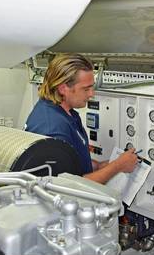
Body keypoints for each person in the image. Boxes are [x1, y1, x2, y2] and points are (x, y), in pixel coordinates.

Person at [25, 53, 138, 184]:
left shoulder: (66, 113)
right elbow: (70, 187)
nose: (92, 94)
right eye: (86, 89)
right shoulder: (53, 129)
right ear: (63, 88)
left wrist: (103, 165)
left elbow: (74, 164)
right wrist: (117, 166)